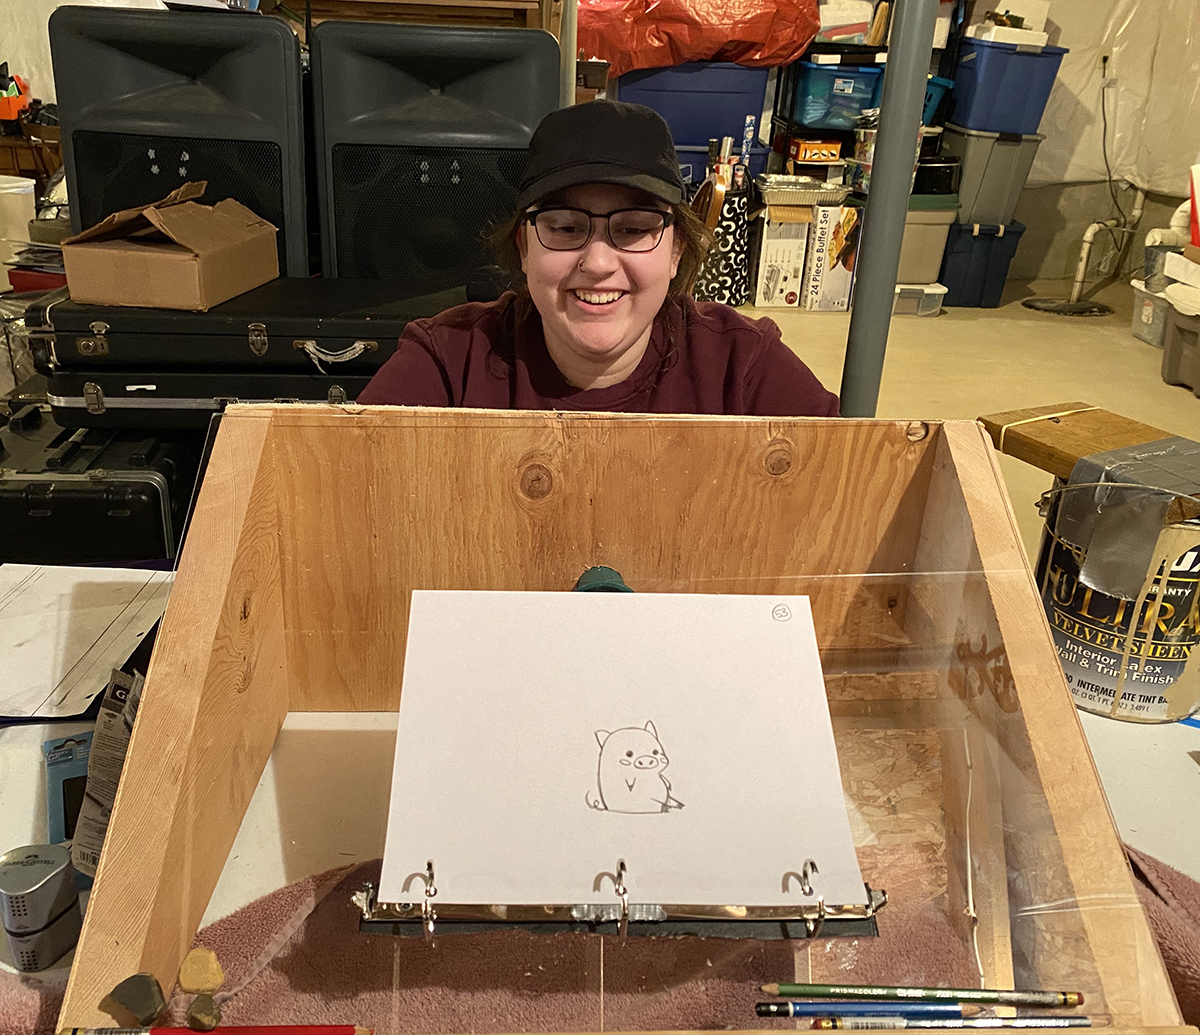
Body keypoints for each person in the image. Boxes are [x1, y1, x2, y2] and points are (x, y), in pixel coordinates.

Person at [357, 100, 839, 416]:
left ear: (676, 251)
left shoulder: (744, 367)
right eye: (566, 227)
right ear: (524, 248)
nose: (599, 262)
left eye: (633, 229)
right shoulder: (445, 362)